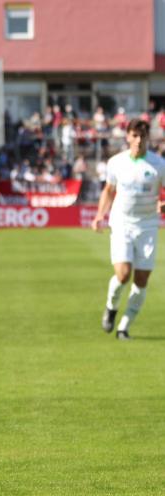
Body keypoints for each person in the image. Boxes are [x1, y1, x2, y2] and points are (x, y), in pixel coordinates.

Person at [92, 119, 165, 339]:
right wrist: (99, 215)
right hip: (122, 222)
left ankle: (124, 326)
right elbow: (108, 190)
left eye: (142, 136)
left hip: (148, 225)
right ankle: (111, 307)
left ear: (147, 138)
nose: (139, 140)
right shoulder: (116, 162)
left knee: (141, 280)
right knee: (123, 274)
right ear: (128, 137)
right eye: (135, 135)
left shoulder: (159, 164)